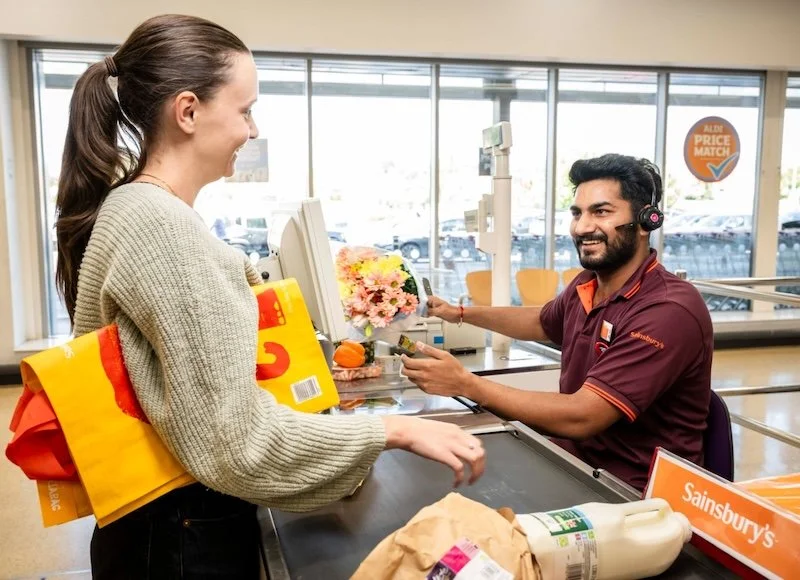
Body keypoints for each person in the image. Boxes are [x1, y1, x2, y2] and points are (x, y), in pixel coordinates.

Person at [55, 14, 484, 579]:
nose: (253, 130)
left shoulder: (134, 209)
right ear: (187, 111)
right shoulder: (163, 230)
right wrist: (394, 430)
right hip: (180, 537)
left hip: (155, 529)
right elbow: (235, 443)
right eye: (245, 109)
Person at [403, 154, 713, 492]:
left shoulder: (666, 309)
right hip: (575, 464)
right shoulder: (589, 283)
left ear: (645, 222)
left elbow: (583, 415)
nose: (582, 227)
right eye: (577, 213)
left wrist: (466, 384)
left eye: (601, 212)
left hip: (634, 493)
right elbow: (540, 320)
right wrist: (460, 314)